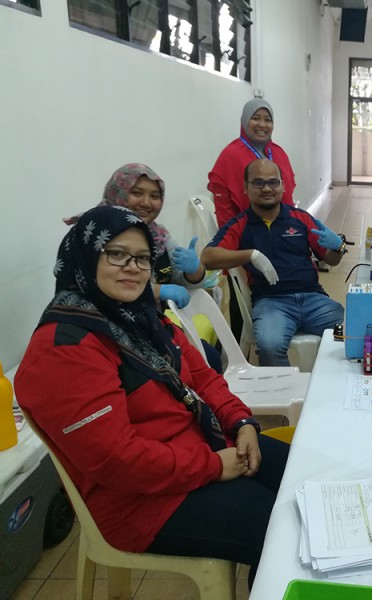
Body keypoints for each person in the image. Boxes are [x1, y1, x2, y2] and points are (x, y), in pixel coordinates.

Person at [15, 206, 288, 589]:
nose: (133, 267)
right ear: (85, 256)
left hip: (201, 447)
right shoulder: (63, 350)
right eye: (116, 254)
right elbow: (118, 460)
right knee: (283, 532)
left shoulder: (140, 316)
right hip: (142, 504)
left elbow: (203, 378)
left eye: (142, 258)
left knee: (300, 476)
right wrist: (212, 466)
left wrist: (241, 422)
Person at [64, 163, 222, 371]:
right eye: (136, 193)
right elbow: (100, 288)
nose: (146, 203)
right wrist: (157, 290)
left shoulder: (158, 234)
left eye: (155, 196)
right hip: (103, 329)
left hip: (148, 324)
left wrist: (194, 270)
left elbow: (182, 280)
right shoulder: (93, 232)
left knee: (208, 357)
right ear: (118, 192)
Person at [202, 158, 345, 366]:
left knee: (351, 332)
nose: (267, 188)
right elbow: (207, 258)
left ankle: (328, 383)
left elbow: (331, 260)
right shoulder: (240, 224)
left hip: (313, 299)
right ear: (246, 188)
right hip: (271, 303)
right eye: (258, 183)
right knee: (270, 346)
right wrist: (250, 255)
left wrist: (338, 247)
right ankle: (285, 387)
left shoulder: (301, 219)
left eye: (273, 182)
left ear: (283, 186)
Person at [208, 98, 297, 229]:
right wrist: (234, 236)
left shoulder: (279, 153)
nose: (262, 124)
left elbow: (288, 198)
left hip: (283, 230)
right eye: (255, 118)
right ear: (245, 121)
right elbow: (224, 212)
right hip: (245, 232)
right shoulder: (230, 156)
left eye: (268, 120)